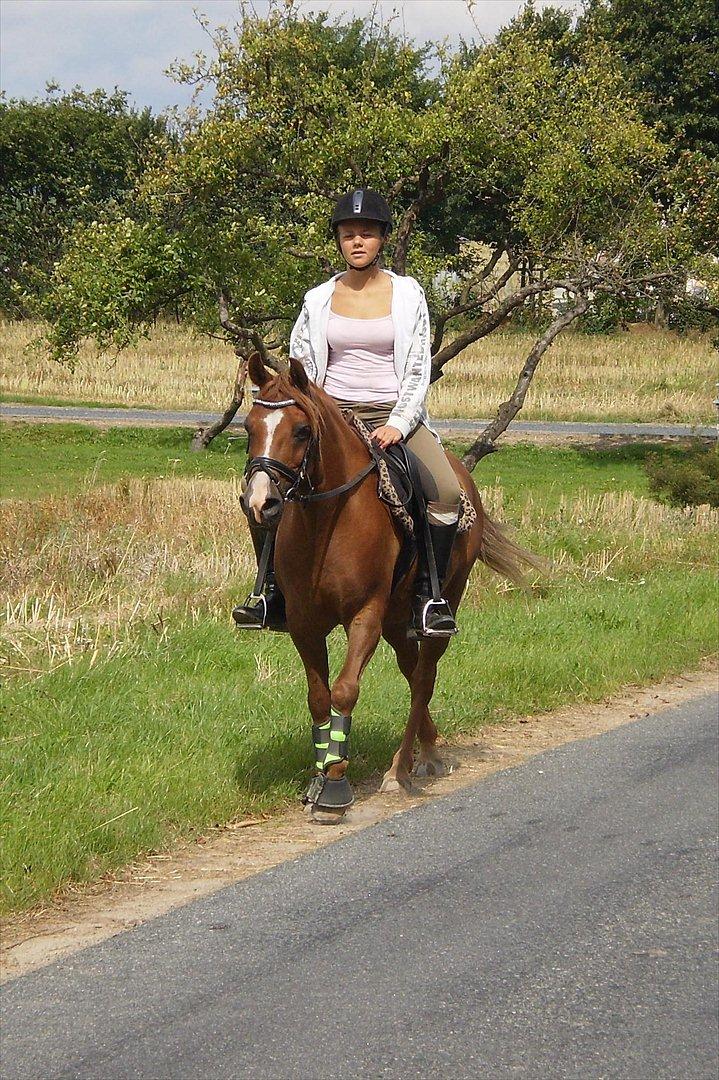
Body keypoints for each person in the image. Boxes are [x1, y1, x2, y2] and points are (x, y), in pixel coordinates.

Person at [233, 188, 462, 637]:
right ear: (338, 240)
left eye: (367, 234)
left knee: (447, 493)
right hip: (330, 417)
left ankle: (428, 596)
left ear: (382, 240)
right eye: (348, 234)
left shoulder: (409, 295)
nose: (357, 242)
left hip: (392, 415)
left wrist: (399, 423)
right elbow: (303, 364)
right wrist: (311, 413)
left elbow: (418, 367)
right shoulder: (317, 299)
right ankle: (270, 593)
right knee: (263, 490)